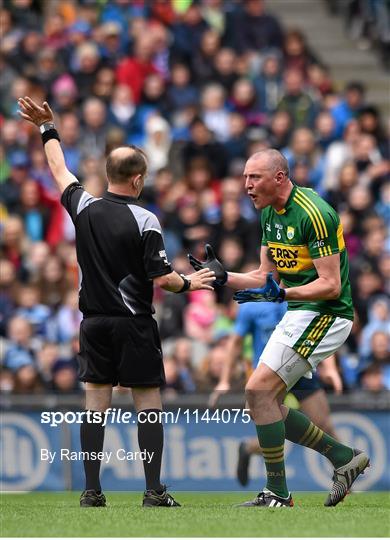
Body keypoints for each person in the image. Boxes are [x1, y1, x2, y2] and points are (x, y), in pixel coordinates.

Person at [18, 96, 215, 508]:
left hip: (92, 324)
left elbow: (58, 168)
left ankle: (91, 491)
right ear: (138, 180)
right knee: (148, 404)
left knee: (95, 407)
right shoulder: (145, 220)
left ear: (108, 175)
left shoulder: (84, 207)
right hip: (134, 325)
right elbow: (161, 277)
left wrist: (46, 128)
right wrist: (191, 282)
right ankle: (153, 490)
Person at [188, 149, 370, 508]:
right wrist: (222, 276)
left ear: (279, 178)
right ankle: (342, 458)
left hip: (328, 314)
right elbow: (263, 277)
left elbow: (331, 284)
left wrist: (283, 292)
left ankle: (279, 493)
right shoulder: (269, 214)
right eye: (244, 177)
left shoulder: (315, 213)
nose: (246, 186)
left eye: (254, 177)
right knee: (259, 398)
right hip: (300, 312)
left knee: (258, 390)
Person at [209, 300, 343, 487]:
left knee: (323, 424)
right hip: (269, 373)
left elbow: (319, 331)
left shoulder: (301, 296)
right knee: (272, 428)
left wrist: (330, 368)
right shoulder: (251, 306)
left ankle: (344, 473)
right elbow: (235, 342)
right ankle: (250, 450)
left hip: (300, 366)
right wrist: (224, 380)